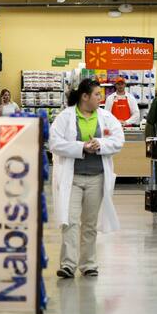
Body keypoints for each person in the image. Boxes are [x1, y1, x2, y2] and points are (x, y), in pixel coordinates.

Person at [49, 79, 124, 278]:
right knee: (70, 221)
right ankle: (68, 264)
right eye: (97, 94)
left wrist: (99, 143)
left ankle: (89, 264)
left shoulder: (106, 118)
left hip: (97, 177)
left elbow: (118, 140)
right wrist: (81, 147)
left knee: (89, 224)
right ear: (85, 97)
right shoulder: (65, 117)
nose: (101, 98)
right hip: (71, 178)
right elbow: (54, 143)